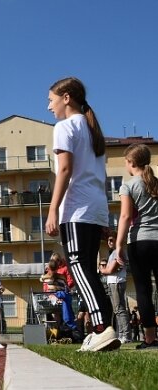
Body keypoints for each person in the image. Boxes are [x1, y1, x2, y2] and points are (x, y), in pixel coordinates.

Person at [45, 77, 119, 352]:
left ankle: (100, 326)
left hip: (76, 208)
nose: (48, 106)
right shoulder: (91, 130)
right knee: (88, 269)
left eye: (51, 100)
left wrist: (53, 209)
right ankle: (104, 328)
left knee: (79, 267)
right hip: (95, 207)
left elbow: (65, 170)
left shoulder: (65, 126)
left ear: (66, 97)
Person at [113, 143, 158, 350]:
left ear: (131, 163)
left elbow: (125, 216)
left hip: (139, 241)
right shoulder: (156, 183)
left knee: (143, 289)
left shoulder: (128, 185)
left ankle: (150, 339)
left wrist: (119, 244)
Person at [99, 236, 130, 344]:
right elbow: (108, 270)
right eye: (108, 240)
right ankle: (121, 334)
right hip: (112, 282)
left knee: (120, 309)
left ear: (117, 240)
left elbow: (112, 269)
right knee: (117, 310)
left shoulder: (119, 251)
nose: (109, 242)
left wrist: (103, 269)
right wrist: (105, 270)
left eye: (112, 240)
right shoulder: (113, 253)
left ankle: (125, 335)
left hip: (117, 282)